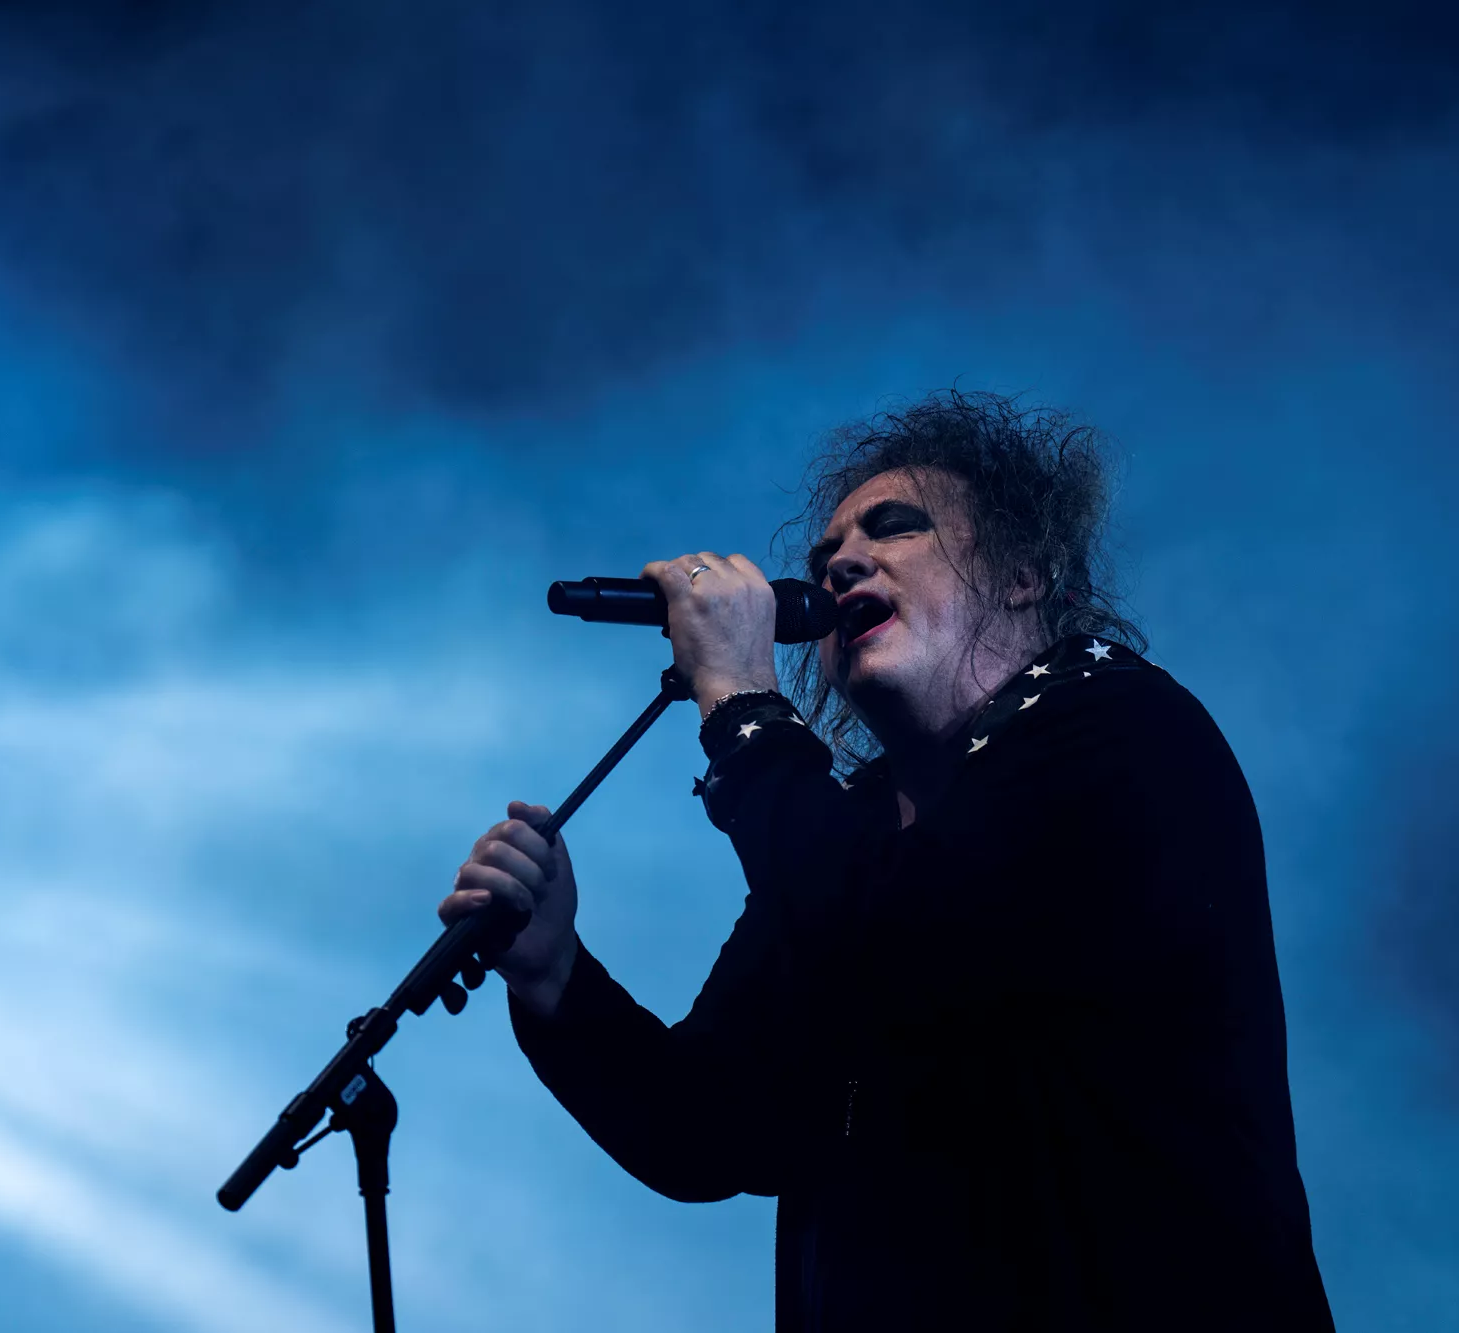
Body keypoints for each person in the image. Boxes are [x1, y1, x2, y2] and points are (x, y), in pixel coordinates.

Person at [438, 389, 1334, 1331]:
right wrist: (556, 977)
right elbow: (706, 1124)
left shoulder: (1118, 726)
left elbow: (912, 936)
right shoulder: (854, 831)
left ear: (1022, 573)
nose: (840, 563)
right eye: (824, 558)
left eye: (895, 528)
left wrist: (742, 706)